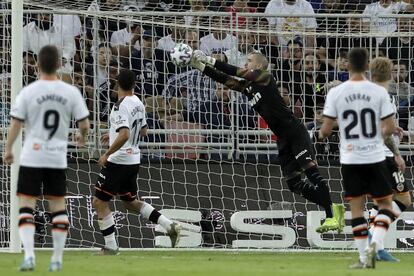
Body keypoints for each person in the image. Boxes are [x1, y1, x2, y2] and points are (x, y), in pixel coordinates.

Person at [189, 49, 345, 234]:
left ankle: (331, 215)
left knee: (311, 171)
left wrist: (209, 59)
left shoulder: (265, 78)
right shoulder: (248, 87)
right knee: (293, 183)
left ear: (259, 65)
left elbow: (235, 71)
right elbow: (226, 80)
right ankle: (334, 207)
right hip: (283, 139)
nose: (246, 63)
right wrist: (200, 66)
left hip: (295, 132)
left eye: (249, 60)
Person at [4, 45, 90, 271]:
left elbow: (16, 124)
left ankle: (30, 255)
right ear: (60, 65)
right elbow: (85, 124)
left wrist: (8, 149)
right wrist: (82, 138)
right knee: (58, 207)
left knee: (26, 205)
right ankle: (57, 258)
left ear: (37, 65)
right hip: (56, 158)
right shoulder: (70, 92)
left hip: (32, 156)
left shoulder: (28, 91)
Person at [319, 48, 397, 269]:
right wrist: (372, 134)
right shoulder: (379, 92)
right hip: (374, 156)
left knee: (356, 209)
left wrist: (321, 132)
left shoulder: (336, 92)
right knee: (386, 204)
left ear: (348, 66)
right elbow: (390, 128)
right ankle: (376, 244)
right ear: (366, 66)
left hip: (350, 158)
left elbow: (325, 131)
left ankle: (364, 259)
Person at [92, 69, 180, 255]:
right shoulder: (138, 102)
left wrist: (107, 153)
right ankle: (169, 224)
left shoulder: (119, 105)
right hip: (133, 160)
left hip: (118, 160)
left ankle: (111, 246)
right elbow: (143, 130)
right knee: (130, 202)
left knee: (99, 202)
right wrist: (113, 131)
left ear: (117, 85)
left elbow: (124, 134)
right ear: (134, 85)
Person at [368, 57, 412, 262]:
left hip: (368, 154)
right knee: (403, 199)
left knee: (382, 201)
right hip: (384, 155)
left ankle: (376, 242)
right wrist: (396, 154)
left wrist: (394, 127)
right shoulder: (382, 96)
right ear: (389, 73)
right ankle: (374, 238)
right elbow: (382, 131)